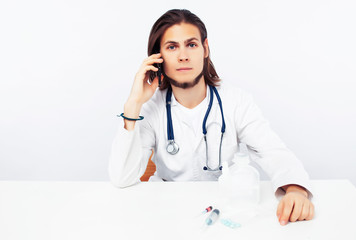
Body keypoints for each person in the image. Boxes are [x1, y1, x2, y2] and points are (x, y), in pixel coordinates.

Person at [108, 9, 315, 226]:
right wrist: (133, 105)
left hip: (225, 212)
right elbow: (122, 178)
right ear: (157, 58)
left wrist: (296, 190)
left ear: (205, 48)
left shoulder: (236, 100)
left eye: (191, 44)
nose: (183, 56)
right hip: (166, 214)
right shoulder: (151, 108)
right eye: (172, 47)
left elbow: (272, 151)